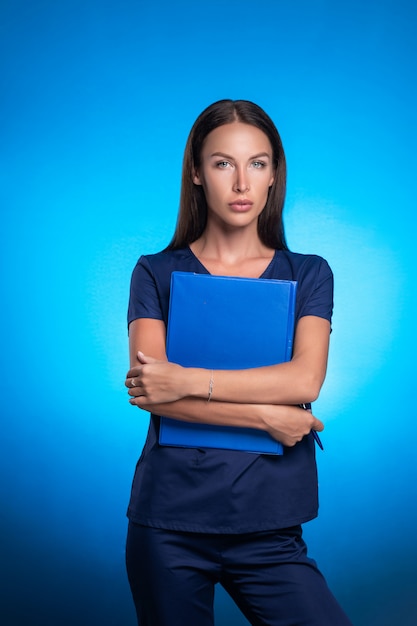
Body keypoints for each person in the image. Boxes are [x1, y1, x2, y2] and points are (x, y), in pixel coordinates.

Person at [124, 99, 352, 626]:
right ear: (198, 173)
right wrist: (263, 415)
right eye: (223, 163)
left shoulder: (310, 273)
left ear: (275, 175)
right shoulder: (154, 273)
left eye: (258, 163)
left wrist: (187, 381)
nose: (242, 182)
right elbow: (151, 391)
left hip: (270, 526)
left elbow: (304, 377)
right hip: (169, 525)